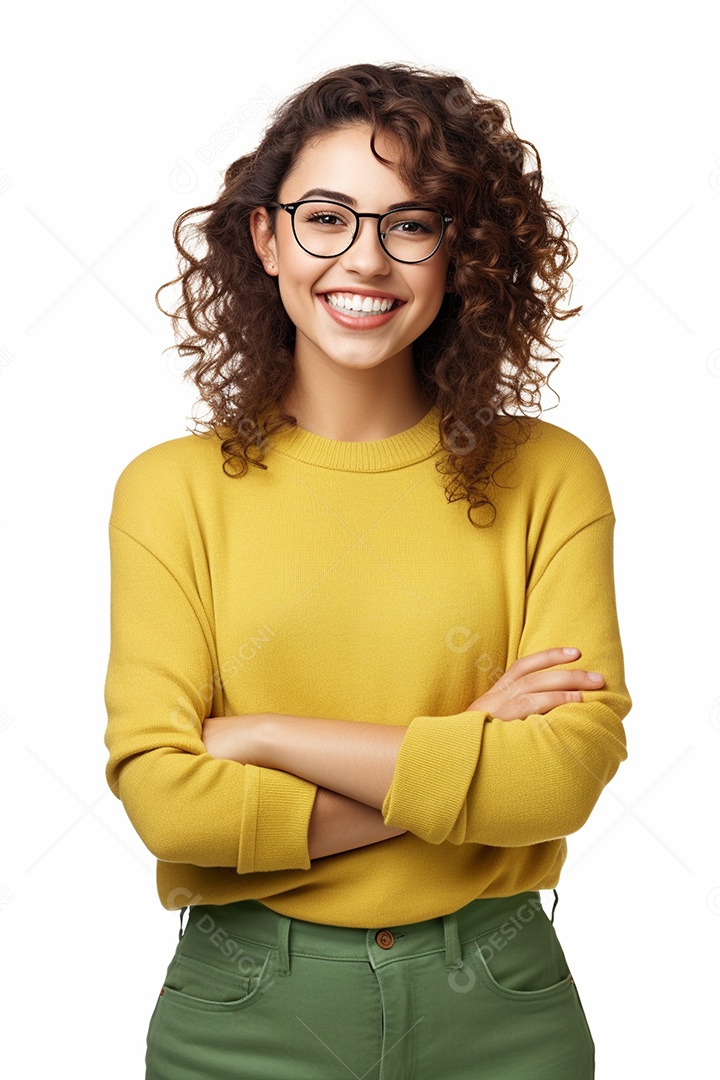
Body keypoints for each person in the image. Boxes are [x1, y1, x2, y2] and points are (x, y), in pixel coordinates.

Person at [103, 61, 631, 1080]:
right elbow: (171, 807)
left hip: (502, 1007)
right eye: (328, 217)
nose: (367, 260)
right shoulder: (170, 493)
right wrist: (471, 747)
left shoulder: (548, 475)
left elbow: (558, 780)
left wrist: (263, 735)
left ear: (460, 251)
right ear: (266, 236)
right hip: (244, 1009)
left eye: (413, 224)